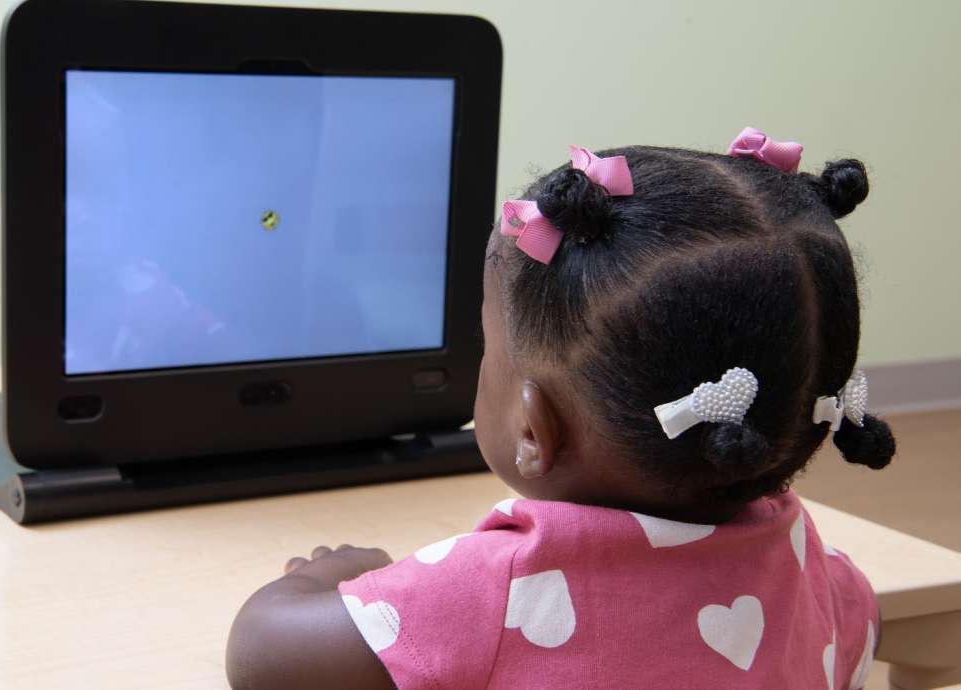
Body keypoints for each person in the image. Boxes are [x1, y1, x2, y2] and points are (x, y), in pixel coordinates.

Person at [225, 128, 895, 689]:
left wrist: (335, 573)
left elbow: (264, 654)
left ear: (532, 428)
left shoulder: (497, 589)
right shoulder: (828, 582)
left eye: (488, 347)